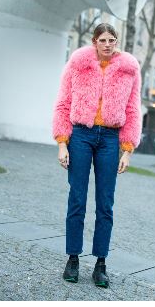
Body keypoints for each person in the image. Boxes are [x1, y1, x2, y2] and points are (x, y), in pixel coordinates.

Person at [53, 23, 142, 288]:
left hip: (111, 139)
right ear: (94, 41)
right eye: (102, 40)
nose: (107, 44)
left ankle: (101, 263)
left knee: (105, 204)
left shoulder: (129, 70)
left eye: (111, 40)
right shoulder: (77, 64)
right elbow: (63, 103)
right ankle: (73, 259)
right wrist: (62, 143)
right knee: (77, 199)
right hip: (80, 135)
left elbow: (133, 109)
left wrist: (127, 150)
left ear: (116, 42)